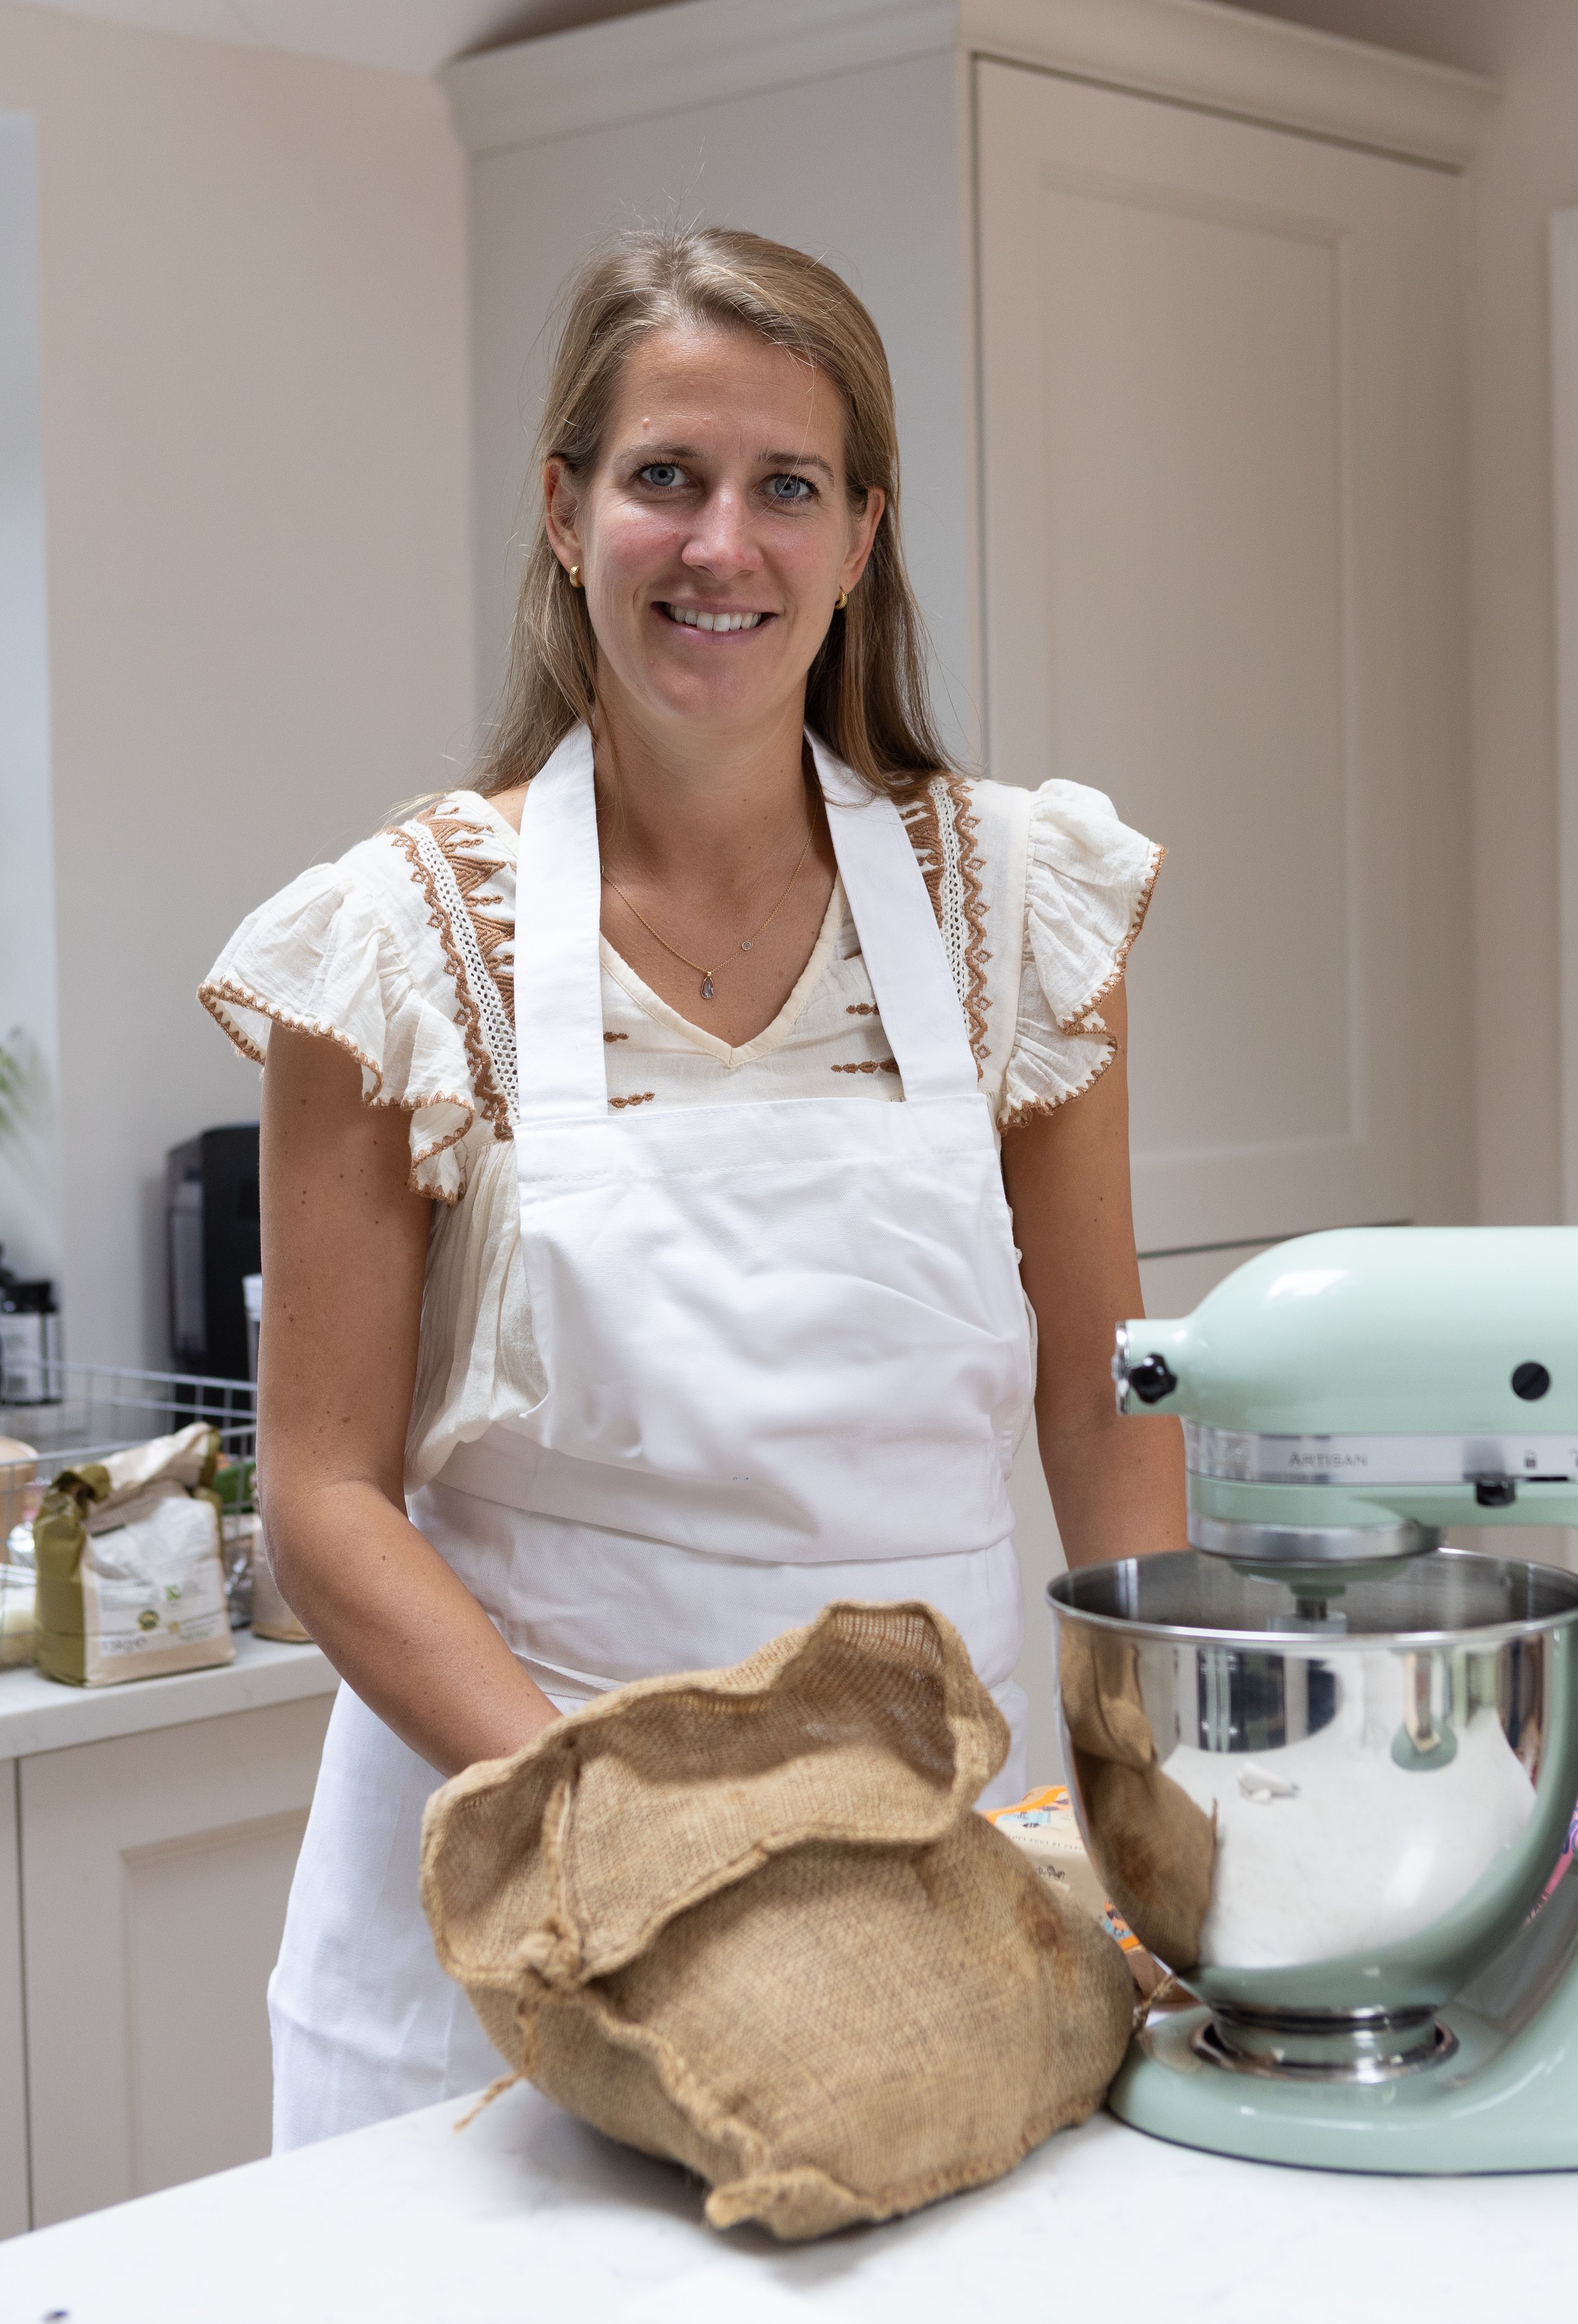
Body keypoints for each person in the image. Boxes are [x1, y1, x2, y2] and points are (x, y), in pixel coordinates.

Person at [200, 225, 1186, 2152]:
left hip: (937, 1881)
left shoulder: (1013, 914)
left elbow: (1095, 1391)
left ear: (860, 533)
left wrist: (1145, 1790)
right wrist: (620, 1828)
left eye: (784, 488)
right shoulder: (397, 945)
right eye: (665, 477)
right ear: (564, 514)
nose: (720, 545)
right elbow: (322, 1498)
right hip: (518, 1904)